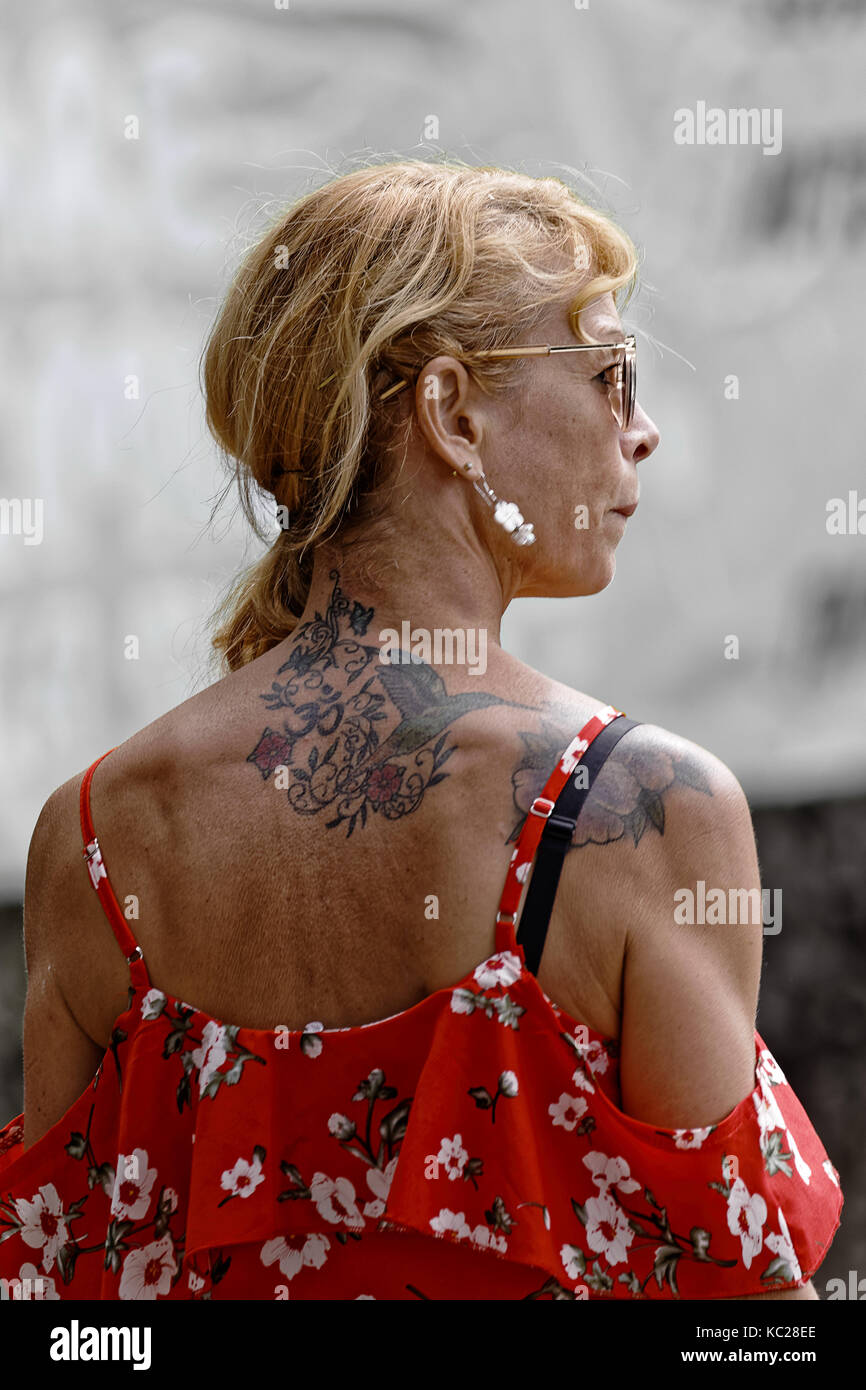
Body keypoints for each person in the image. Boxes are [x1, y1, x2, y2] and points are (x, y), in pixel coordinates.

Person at [0, 160, 841, 1301]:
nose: (640, 432)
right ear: (450, 413)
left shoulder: (99, 834)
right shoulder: (637, 808)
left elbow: (60, 1310)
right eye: (609, 375)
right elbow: (738, 1313)